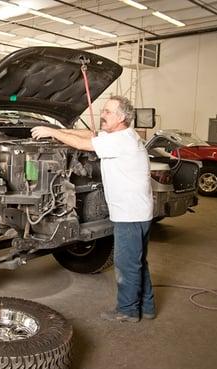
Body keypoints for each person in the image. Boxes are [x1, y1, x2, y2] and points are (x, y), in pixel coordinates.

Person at [31, 95, 154, 323]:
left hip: (130, 215)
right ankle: (147, 307)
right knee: (138, 262)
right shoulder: (122, 136)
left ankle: (127, 311)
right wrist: (58, 128)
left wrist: (53, 133)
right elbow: (89, 135)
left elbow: (83, 145)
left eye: (108, 111)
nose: (102, 114)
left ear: (121, 117)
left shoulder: (121, 141)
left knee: (126, 264)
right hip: (139, 212)